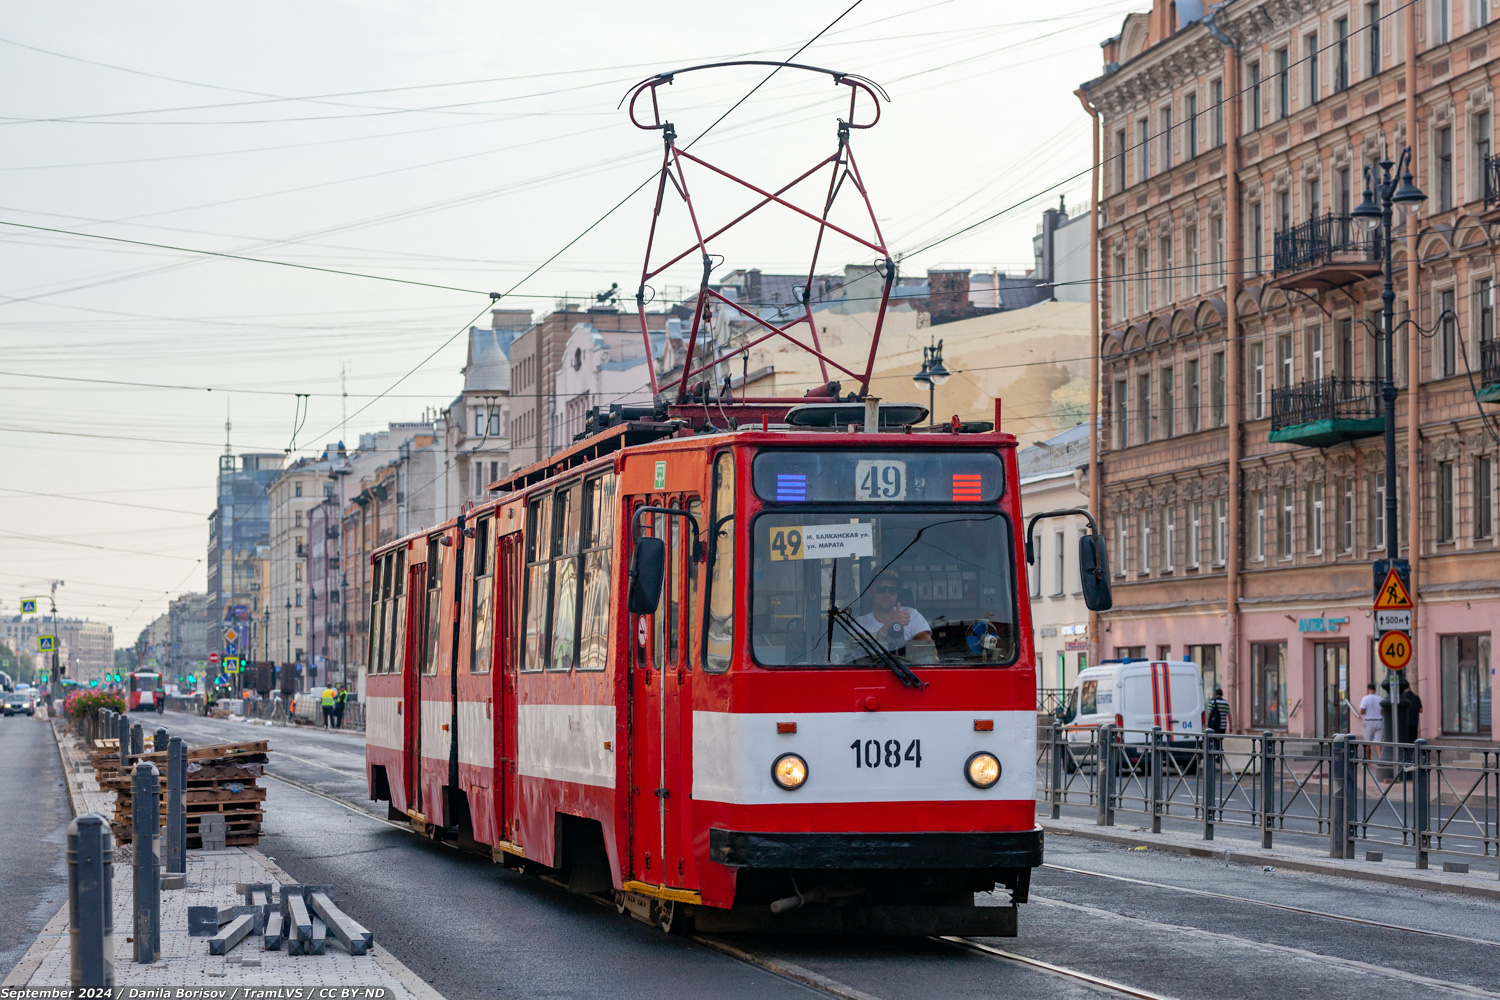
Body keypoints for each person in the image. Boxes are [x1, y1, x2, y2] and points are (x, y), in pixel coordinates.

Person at [854, 573, 932, 650]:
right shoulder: (859, 624)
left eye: (892, 590)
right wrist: (891, 624)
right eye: (881, 589)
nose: (887, 594)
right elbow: (858, 653)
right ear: (870, 591)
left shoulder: (911, 615)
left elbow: (928, 650)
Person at [1358, 682, 1384, 754]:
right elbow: (1383, 711)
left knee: (1367, 744)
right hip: (1379, 721)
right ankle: (1380, 761)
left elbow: (1362, 711)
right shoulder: (1380, 698)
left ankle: (1368, 764)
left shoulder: (1365, 698)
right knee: (1378, 743)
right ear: (1375, 690)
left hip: (1369, 721)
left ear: (1368, 689)